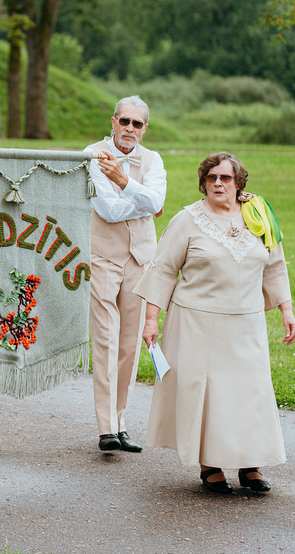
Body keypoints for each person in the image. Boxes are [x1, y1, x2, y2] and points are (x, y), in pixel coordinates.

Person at [136, 152, 295, 493]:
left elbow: (275, 265)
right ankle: (209, 465)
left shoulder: (259, 213)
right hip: (197, 322)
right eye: (211, 178)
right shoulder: (187, 219)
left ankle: (250, 465)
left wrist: (287, 309)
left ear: (239, 183)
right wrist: (151, 320)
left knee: (250, 392)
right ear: (203, 183)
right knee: (209, 395)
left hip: (247, 322)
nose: (218, 184)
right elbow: (163, 269)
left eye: (225, 178)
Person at [84, 95, 166, 452]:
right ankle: (106, 427)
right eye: (125, 121)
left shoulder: (154, 159)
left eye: (137, 123)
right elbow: (109, 210)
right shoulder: (92, 155)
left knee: (130, 344)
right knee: (105, 338)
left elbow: (158, 202)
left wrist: (123, 180)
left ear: (145, 128)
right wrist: (143, 199)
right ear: (113, 122)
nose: (130, 128)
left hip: (141, 258)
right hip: (104, 256)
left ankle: (120, 422)